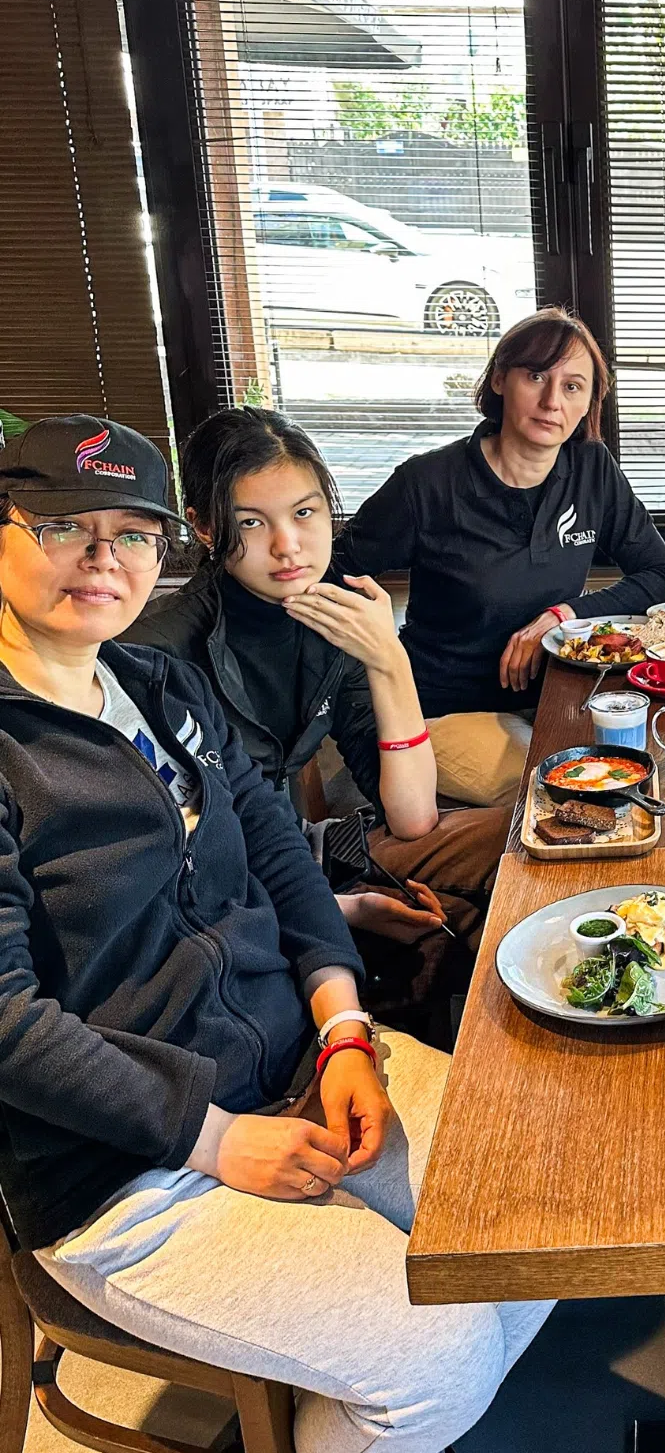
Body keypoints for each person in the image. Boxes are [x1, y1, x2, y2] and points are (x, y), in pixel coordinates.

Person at [0, 416, 550, 1453]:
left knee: (542, 1213)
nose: (104, 558)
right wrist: (209, 1138)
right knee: (443, 1356)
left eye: (131, 533)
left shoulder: (158, 689)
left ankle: (393, 1447)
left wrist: (344, 1030)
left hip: (299, 1066)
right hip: (128, 1168)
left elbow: (282, 861)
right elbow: (8, 1024)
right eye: (66, 526)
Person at [128, 407, 508, 1038]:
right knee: (454, 929)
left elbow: (412, 817)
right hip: (241, 889)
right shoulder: (159, 656)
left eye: (305, 513)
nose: (288, 546)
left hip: (312, 848)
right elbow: (182, 869)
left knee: (525, 840)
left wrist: (389, 661)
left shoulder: (334, 616)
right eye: (251, 522)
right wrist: (337, 907)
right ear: (204, 526)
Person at [334, 308, 665, 808]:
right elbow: (332, 571)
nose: (552, 401)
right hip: (447, 710)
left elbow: (660, 574)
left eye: (573, 386)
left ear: (589, 403)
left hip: (556, 694)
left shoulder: (592, 469)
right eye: (536, 376)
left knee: (662, 761)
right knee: (576, 791)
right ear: (500, 379)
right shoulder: (428, 484)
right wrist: (371, 667)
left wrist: (563, 615)